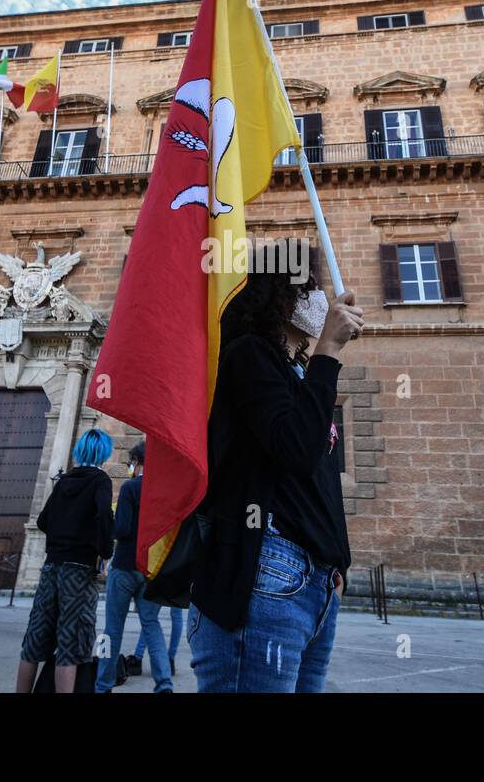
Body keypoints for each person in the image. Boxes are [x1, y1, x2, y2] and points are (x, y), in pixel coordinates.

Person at [188, 240, 364, 693]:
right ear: (278, 291)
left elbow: (318, 478)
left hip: (316, 583)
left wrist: (336, 561)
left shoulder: (300, 374)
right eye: (308, 287)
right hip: (267, 569)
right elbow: (295, 449)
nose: (319, 298)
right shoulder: (248, 355)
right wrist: (328, 348)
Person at [15, 428, 114, 693]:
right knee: (70, 642)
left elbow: (42, 520)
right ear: (104, 453)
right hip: (79, 571)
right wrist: (104, 552)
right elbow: (104, 516)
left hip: (51, 567)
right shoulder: (100, 480)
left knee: (35, 639)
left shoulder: (64, 480)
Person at [95, 440, 173, 693]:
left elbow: (122, 529)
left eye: (132, 463)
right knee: (152, 626)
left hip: (125, 565)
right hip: (151, 568)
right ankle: (164, 684)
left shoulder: (130, 488)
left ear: (138, 462)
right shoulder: (165, 491)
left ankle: (103, 683)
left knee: (111, 629)